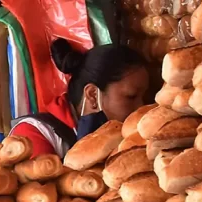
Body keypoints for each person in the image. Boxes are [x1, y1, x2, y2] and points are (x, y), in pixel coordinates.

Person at [10, 39, 149, 158]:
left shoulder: (130, 138)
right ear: (93, 95)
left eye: (144, 98)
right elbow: (38, 188)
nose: (141, 107)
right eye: (131, 97)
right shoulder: (34, 134)